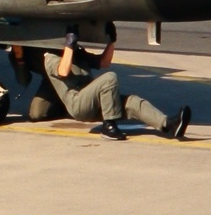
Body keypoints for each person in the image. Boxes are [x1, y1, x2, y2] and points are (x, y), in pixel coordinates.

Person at [42, 25, 191, 141]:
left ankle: (169, 124)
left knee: (132, 102)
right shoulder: (50, 57)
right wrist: (69, 46)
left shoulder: (77, 53)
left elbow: (103, 62)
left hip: (93, 101)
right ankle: (109, 127)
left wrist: (111, 41)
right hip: (78, 105)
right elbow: (63, 71)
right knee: (109, 78)